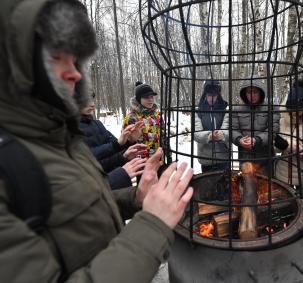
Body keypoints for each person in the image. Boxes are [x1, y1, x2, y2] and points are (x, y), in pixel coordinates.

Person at [0, 0, 193, 282]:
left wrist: (134, 198)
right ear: (12, 63)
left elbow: (82, 209)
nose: (75, 73)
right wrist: (153, 225)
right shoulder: (10, 162)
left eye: (74, 59)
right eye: (55, 57)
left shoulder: (62, 138)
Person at [80, 94, 147, 189]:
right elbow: (89, 159)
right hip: (96, 188)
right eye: (86, 99)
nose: (92, 104)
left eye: (92, 99)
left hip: (118, 182)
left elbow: (115, 148)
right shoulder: (66, 130)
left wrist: (129, 141)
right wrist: (119, 148)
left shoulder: (97, 124)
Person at [232, 76, 280, 174]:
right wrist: (239, 139)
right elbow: (232, 129)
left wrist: (256, 140)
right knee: (247, 186)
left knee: (265, 186)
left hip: (265, 158)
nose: (252, 95)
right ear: (245, 93)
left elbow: (273, 129)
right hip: (245, 158)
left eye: (255, 92)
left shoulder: (271, 108)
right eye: (249, 92)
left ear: (260, 92)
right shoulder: (237, 110)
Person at [194, 80, 230, 172]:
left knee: (225, 184)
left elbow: (228, 128)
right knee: (208, 183)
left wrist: (221, 134)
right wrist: (210, 135)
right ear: (205, 95)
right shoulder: (198, 111)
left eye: (214, 95)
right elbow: (196, 133)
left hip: (223, 156)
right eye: (209, 95)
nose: (212, 98)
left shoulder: (225, 109)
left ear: (218, 95)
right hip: (206, 158)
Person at [123, 82, 161, 159]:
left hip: (158, 159)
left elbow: (164, 137)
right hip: (141, 162)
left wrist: (169, 157)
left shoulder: (157, 115)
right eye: (146, 97)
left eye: (152, 97)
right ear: (138, 99)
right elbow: (126, 142)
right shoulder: (132, 117)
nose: (150, 100)